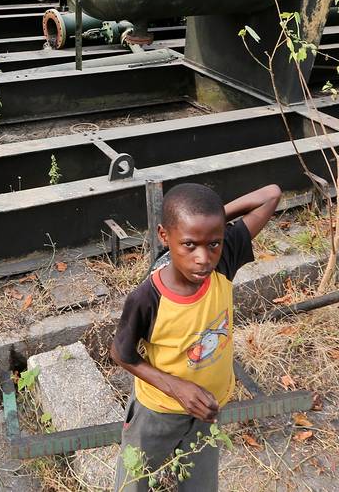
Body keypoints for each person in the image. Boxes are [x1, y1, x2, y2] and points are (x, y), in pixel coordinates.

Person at [110, 182, 282, 491]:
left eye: (213, 244)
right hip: (158, 411)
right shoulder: (148, 298)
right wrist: (177, 387)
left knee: (199, 485)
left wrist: (209, 224)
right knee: (133, 483)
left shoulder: (224, 260)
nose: (203, 258)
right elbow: (121, 354)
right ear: (165, 236)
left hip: (207, 411)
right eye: (189, 244)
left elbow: (271, 194)